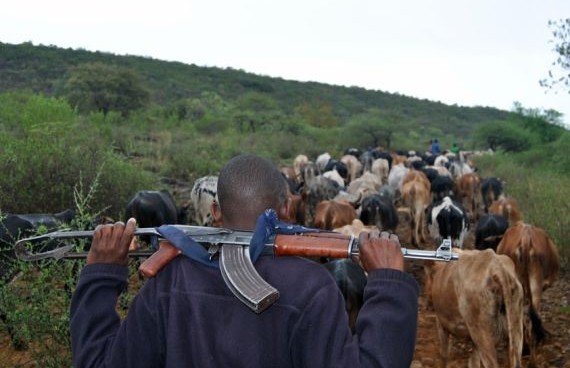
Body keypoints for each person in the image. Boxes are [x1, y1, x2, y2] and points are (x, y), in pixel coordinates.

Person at [70, 154, 419, 367]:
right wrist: (387, 285)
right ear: (285, 209)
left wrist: (101, 273)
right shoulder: (313, 287)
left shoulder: (169, 282)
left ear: (216, 213)